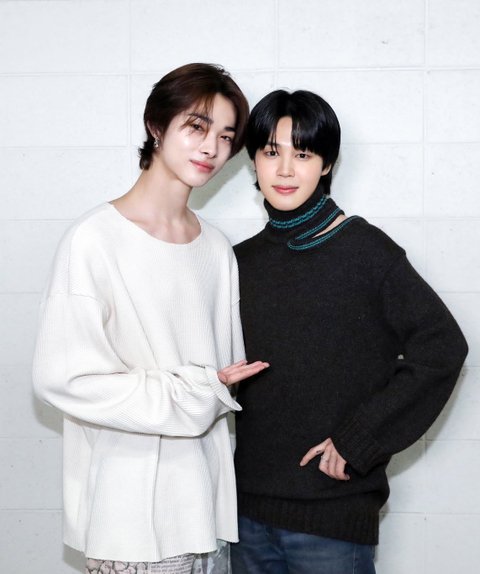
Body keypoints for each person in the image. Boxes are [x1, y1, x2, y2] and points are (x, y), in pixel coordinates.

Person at [32, 63, 268, 574]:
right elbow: (61, 378)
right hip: (129, 516)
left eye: (226, 136)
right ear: (156, 125)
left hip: (207, 514)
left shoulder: (216, 249)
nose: (212, 148)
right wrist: (191, 392)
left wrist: (208, 389)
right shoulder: (94, 240)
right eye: (197, 126)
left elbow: (224, 382)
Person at [231, 89, 468, 574]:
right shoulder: (239, 261)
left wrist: (361, 439)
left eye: (303, 154)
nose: (285, 170)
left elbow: (442, 347)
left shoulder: (366, 252)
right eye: (272, 152)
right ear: (253, 161)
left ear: (327, 164)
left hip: (332, 521)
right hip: (245, 515)